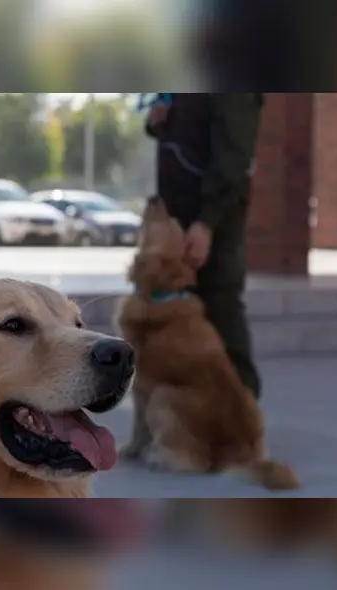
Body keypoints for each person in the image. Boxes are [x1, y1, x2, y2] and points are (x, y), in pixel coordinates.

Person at [144, 93, 265, 399]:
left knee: (221, 316)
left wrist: (206, 223)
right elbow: (186, 137)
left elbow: (234, 159)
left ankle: (244, 425)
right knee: (177, 336)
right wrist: (156, 121)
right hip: (178, 219)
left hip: (213, 225)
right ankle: (188, 427)